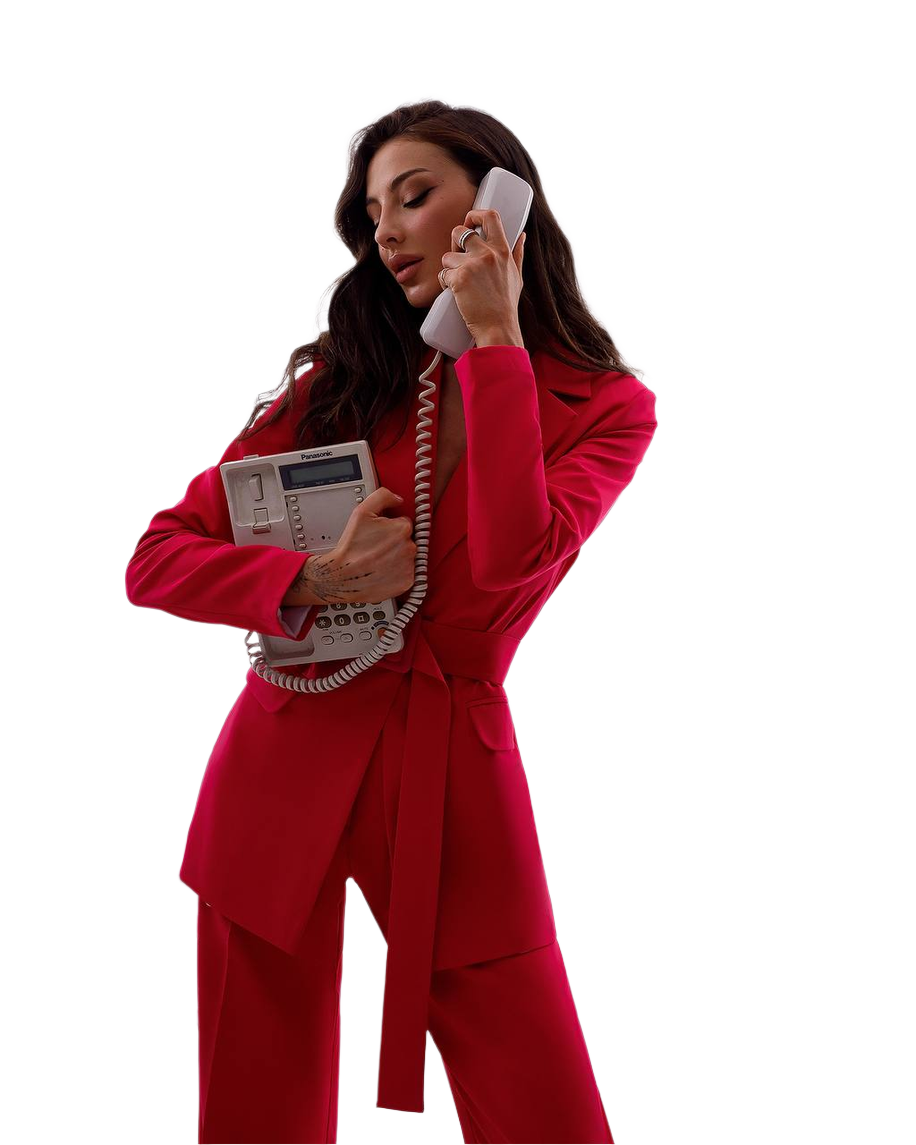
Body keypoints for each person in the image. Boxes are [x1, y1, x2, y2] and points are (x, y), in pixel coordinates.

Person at [124, 97, 659, 1145]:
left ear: (499, 207)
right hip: (282, 745)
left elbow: (511, 556)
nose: (390, 229)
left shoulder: (605, 407)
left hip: (449, 756)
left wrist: (495, 342)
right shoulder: (339, 382)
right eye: (374, 213)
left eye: (415, 196)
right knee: (253, 1099)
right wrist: (308, 580)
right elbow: (156, 556)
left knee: (536, 1099)